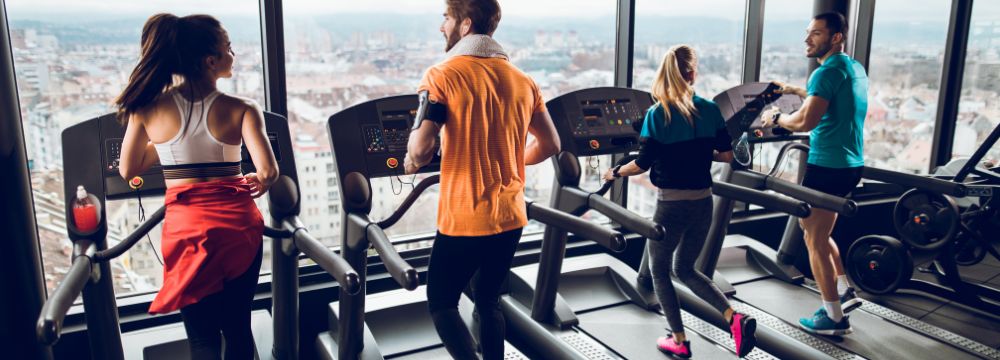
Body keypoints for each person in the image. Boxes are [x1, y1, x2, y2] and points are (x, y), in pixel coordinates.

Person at [403, 0, 560, 358]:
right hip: (511, 214)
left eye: (446, 18)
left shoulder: (442, 75)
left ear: (465, 24)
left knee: (442, 302)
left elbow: (422, 149)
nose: (441, 26)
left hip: (466, 218)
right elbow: (551, 143)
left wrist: (412, 161)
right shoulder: (524, 81)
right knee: (488, 300)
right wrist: (511, 159)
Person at [116, 13, 278, 359]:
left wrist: (172, 147)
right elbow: (268, 171)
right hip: (238, 230)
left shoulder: (146, 108)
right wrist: (257, 181)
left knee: (202, 339)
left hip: (186, 232)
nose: (233, 54)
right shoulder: (242, 109)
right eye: (229, 48)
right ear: (211, 61)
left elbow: (129, 169)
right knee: (237, 329)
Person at [603, 45, 757, 358]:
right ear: (692, 74)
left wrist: (615, 172)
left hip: (670, 206)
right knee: (686, 269)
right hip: (703, 203)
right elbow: (726, 156)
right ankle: (734, 318)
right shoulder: (709, 109)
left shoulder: (657, 114)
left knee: (660, 271)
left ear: (664, 75)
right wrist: (698, 153)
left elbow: (641, 165)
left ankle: (680, 340)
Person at [761, 11, 868, 336]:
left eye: (816, 34)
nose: (808, 40)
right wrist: (795, 88)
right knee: (819, 233)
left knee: (815, 239)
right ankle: (844, 290)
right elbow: (832, 100)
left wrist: (777, 119)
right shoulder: (852, 67)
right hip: (850, 163)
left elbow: (805, 122)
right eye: (808, 33)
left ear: (836, 37)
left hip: (827, 165)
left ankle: (834, 317)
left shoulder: (824, 74)